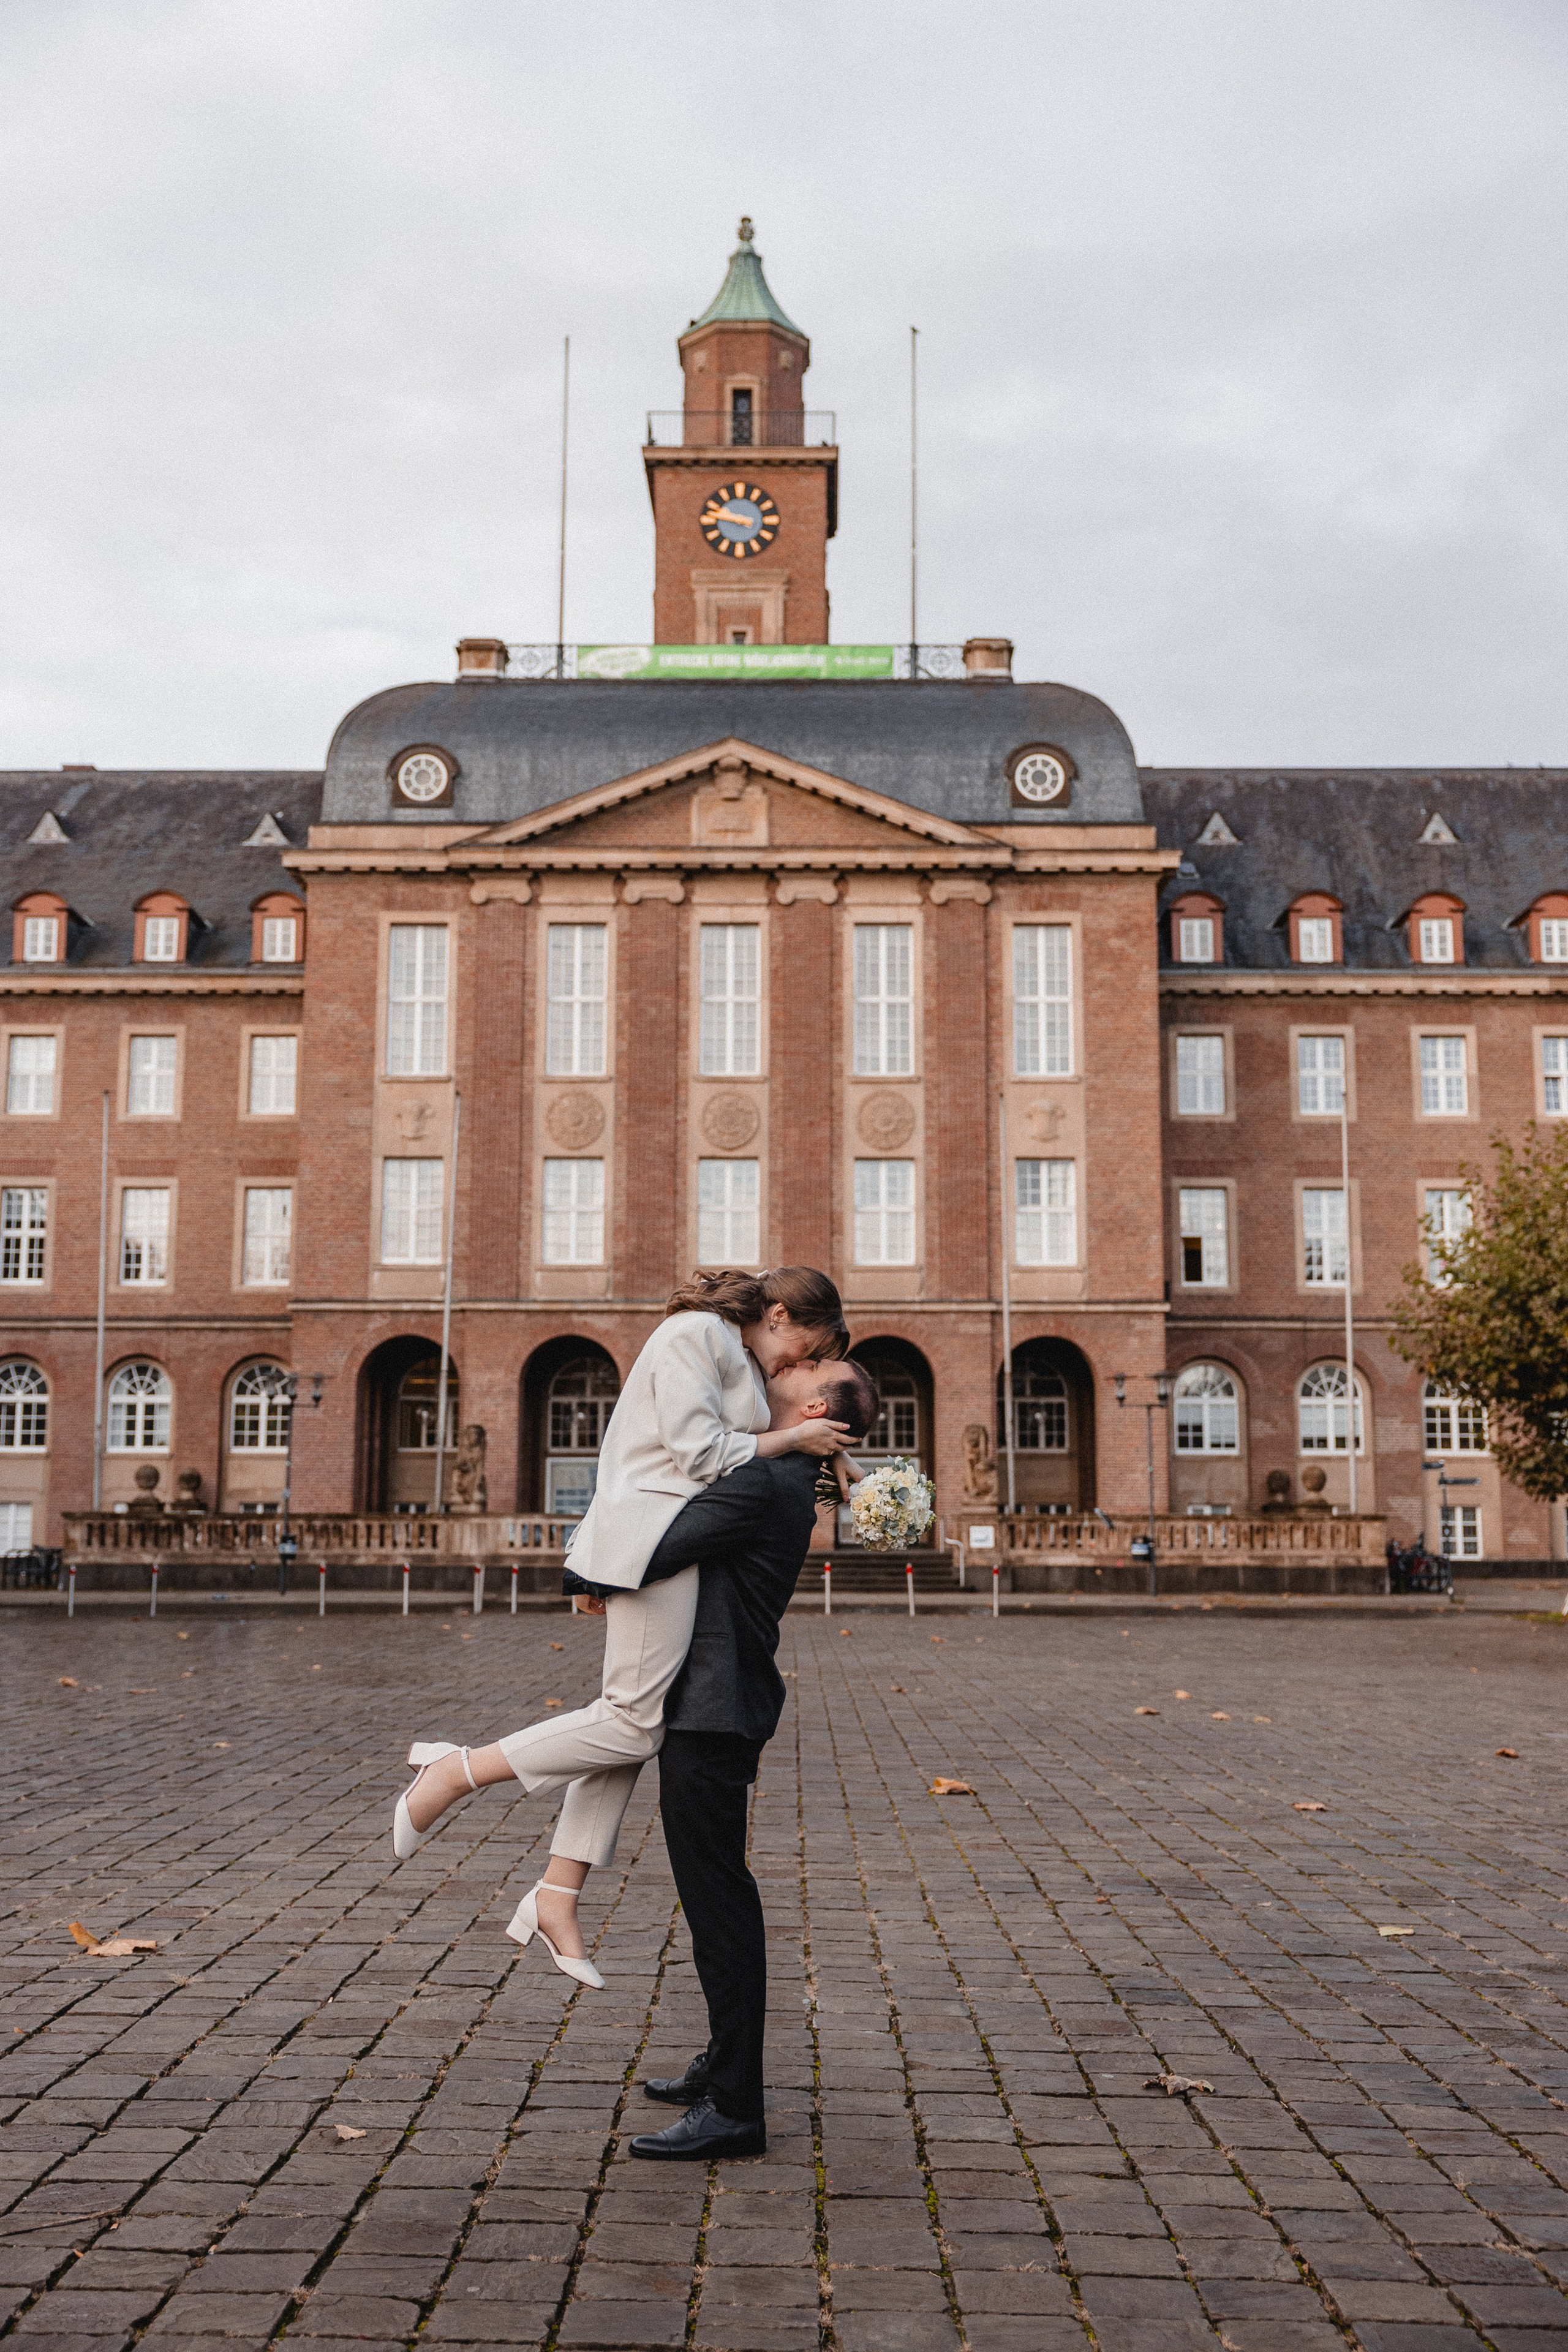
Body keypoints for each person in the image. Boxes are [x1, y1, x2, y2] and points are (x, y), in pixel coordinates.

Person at [389, 1267, 853, 1985]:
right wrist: (794, 1444)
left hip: (669, 1541)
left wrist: (827, 1447)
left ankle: (557, 1894)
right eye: (801, 1351)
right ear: (781, 1313)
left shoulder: (735, 1354)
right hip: (648, 1537)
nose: (792, 1368)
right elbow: (702, 1455)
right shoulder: (695, 1334)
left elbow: (759, 1434)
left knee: (637, 1720)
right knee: (633, 1724)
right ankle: (456, 1771)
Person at [624, 1352, 881, 2160]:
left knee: (719, 1906)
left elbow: (654, 1546)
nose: (788, 1365)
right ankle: (719, 2064)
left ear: (815, 1409)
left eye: (808, 1368)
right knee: (715, 1903)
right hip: (720, 1702)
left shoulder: (763, 1483)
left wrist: (590, 1557)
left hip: (712, 1710)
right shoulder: (780, 1477)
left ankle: (735, 2106)